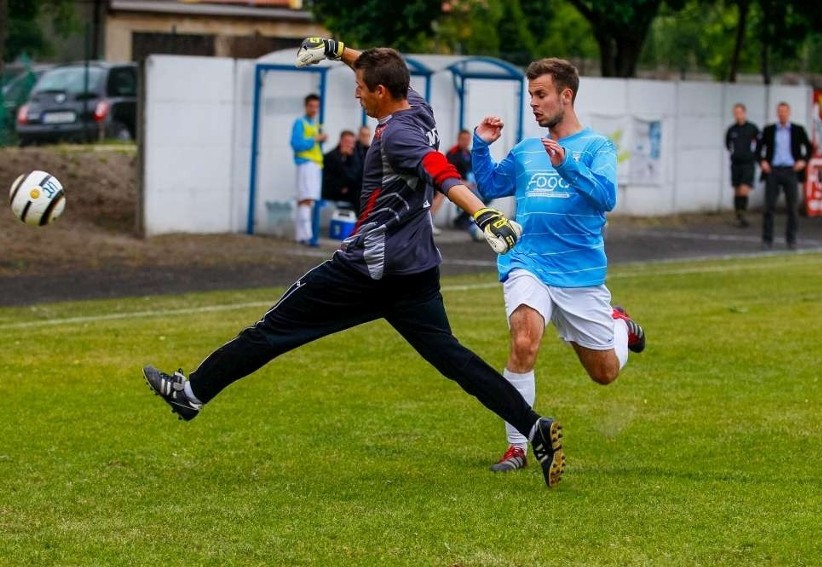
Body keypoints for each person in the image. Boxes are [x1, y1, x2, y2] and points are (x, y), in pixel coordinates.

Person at [143, 38, 566, 489]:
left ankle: (190, 394)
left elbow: (440, 172)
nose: (356, 93)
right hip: (415, 270)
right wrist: (338, 50)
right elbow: (382, 74)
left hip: (367, 268)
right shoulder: (417, 108)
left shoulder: (398, 134)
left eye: (361, 87)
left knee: (272, 330)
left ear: (382, 92)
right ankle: (533, 426)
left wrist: (482, 213)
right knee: (454, 359)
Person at [471, 57, 646, 473]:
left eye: (541, 94)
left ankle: (619, 325)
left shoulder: (597, 147)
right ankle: (518, 447)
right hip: (527, 262)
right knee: (523, 343)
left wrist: (566, 164)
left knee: (604, 374)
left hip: (579, 275)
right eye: (531, 94)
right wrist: (481, 145)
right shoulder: (527, 149)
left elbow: (605, 197)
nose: (533, 103)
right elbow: (493, 186)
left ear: (566, 96)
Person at [755, 102, 813, 250]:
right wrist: (762, 162)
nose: (782, 114)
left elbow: (810, 148)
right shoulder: (769, 130)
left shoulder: (797, 130)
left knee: (792, 207)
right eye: (780, 112)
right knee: (769, 207)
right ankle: (767, 239)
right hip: (773, 170)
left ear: (789, 113)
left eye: (784, 112)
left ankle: (791, 239)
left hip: (790, 170)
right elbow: (757, 150)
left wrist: (803, 161)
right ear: (777, 113)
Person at [290, 93, 327, 246]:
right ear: (306, 106)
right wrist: (315, 140)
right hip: (307, 163)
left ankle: (301, 235)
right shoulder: (300, 123)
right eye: (311, 106)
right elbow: (296, 144)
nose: (314, 109)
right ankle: (307, 235)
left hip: (314, 164)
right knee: (307, 198)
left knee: (306, 199)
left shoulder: (315, 124)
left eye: (316, 106)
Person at [725, 103, 760, 228]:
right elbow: (728, 144)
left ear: (744, 113)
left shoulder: (752, 128)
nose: (737, 115)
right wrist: (734, 153)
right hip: (736, 163)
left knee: (744, 189)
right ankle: (738, 214)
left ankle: (743, 214)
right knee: (736, 189)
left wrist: (754, 155)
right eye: (735, 113)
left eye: (740, 112)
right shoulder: (732, 130)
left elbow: (759, 142)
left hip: (748, 163)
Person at [322, 129, 363, 213]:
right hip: (334, 191)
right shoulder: (331, 157)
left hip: (348, 189)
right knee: (358, 196)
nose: (350, 145)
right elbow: (331, 179)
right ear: (340, 141)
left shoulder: (353, 156)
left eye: (352, 143)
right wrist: (343, 186)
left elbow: (357, 175)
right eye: (347, 142)